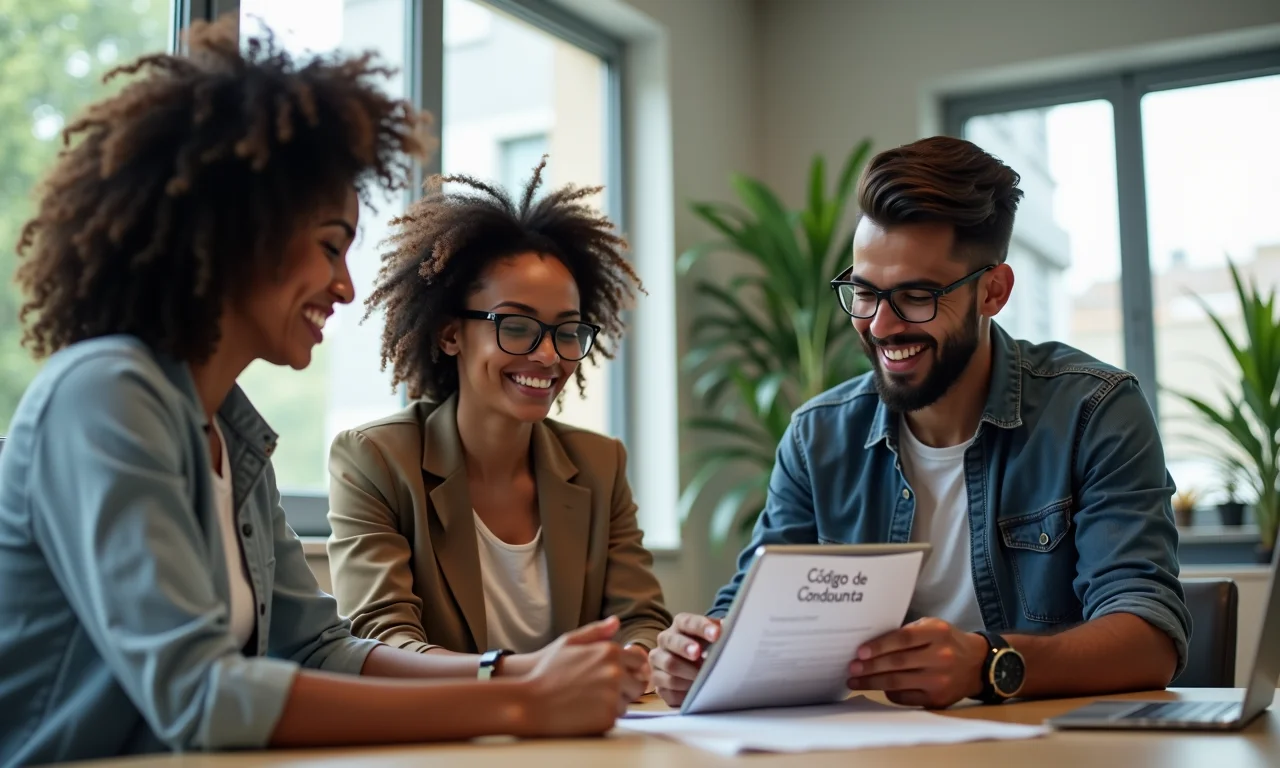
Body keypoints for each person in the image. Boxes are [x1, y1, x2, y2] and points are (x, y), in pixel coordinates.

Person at [0, 19, 631, 767]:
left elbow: (320, 650)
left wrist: (513, 669)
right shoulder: (104, 395)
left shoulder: (236, 437)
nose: (346, 285)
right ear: (242, 230)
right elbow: (201, 693)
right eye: (331, 245)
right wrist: (520, 703)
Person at [650, 136, 1191, 710]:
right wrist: (698, 654)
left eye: (915, 296)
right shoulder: (817, 438)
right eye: (863, 292)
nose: (881, 326)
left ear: (993, 291)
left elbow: (1148, 639)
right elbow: (747, 611)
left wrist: (987, 665)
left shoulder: (1094, 411)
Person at [324, 158, 670, 703]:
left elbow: (641, 619)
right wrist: (523, 676)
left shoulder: (601, 464)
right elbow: (381, 641)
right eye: (516, 326)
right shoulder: (375, 459)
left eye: (567, 331)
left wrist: (635, 659)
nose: (549, 354)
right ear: (449, 335)